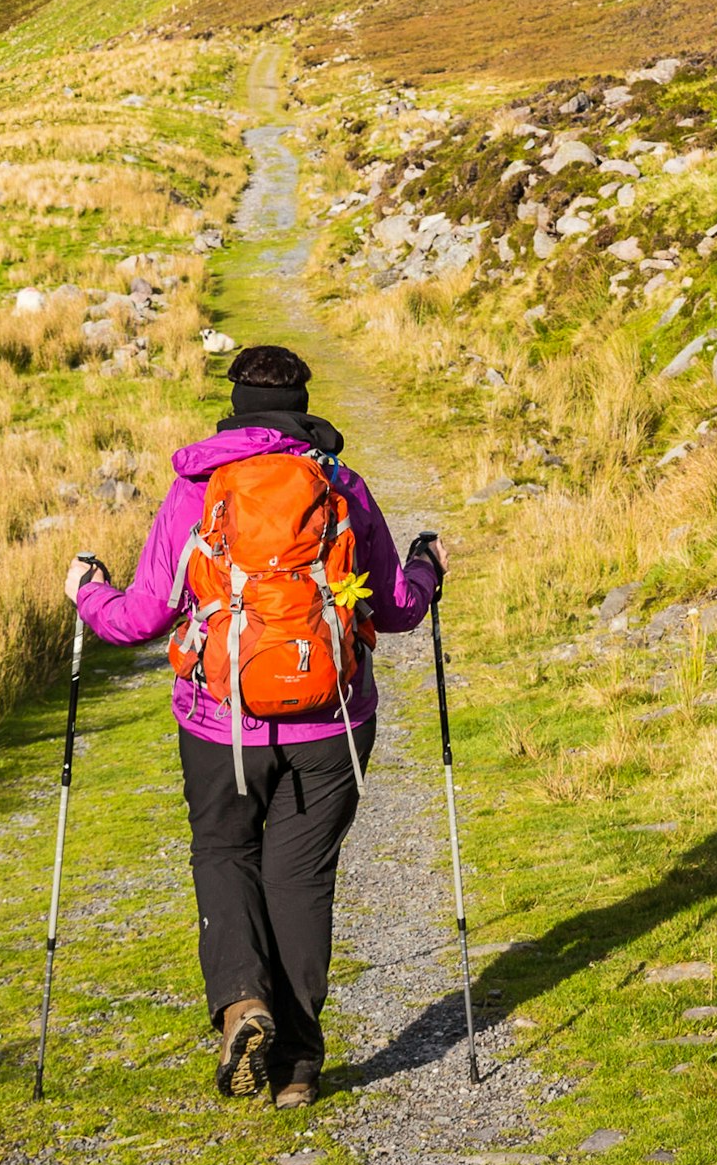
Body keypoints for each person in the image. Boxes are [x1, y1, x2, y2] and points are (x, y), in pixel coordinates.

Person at [69, 342, 445, 1107]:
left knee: (223, 851)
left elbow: (141, 616)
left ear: (233, 405)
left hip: (218, 725)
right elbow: (398, 610)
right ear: (304, 406)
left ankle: (244, 1002)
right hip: (331, 722)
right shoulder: (340, 487)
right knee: (302, 879)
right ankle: (299, 1069)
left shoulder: (194, 492)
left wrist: (86, 593)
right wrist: (428, 566)